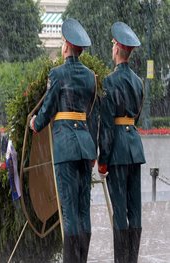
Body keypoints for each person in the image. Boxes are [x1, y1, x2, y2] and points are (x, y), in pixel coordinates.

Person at [30, 18, 97, 263]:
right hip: (85, 146)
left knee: (69, 212)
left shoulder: (57, 73)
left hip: (66, 147)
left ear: (67, 46)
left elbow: (47, 110)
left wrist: (35, 123)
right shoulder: (90, 76)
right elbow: (91, 112)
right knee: (83, 210)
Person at [98, 22, 145, 263]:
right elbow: (136, 116)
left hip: (116, 151)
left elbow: (106, 125)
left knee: (120, 213)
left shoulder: (108, 82)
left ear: (117, 49)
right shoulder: (138, 81)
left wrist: (103, 160)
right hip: (134, 149)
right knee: (135, 210)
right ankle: (132, 259)